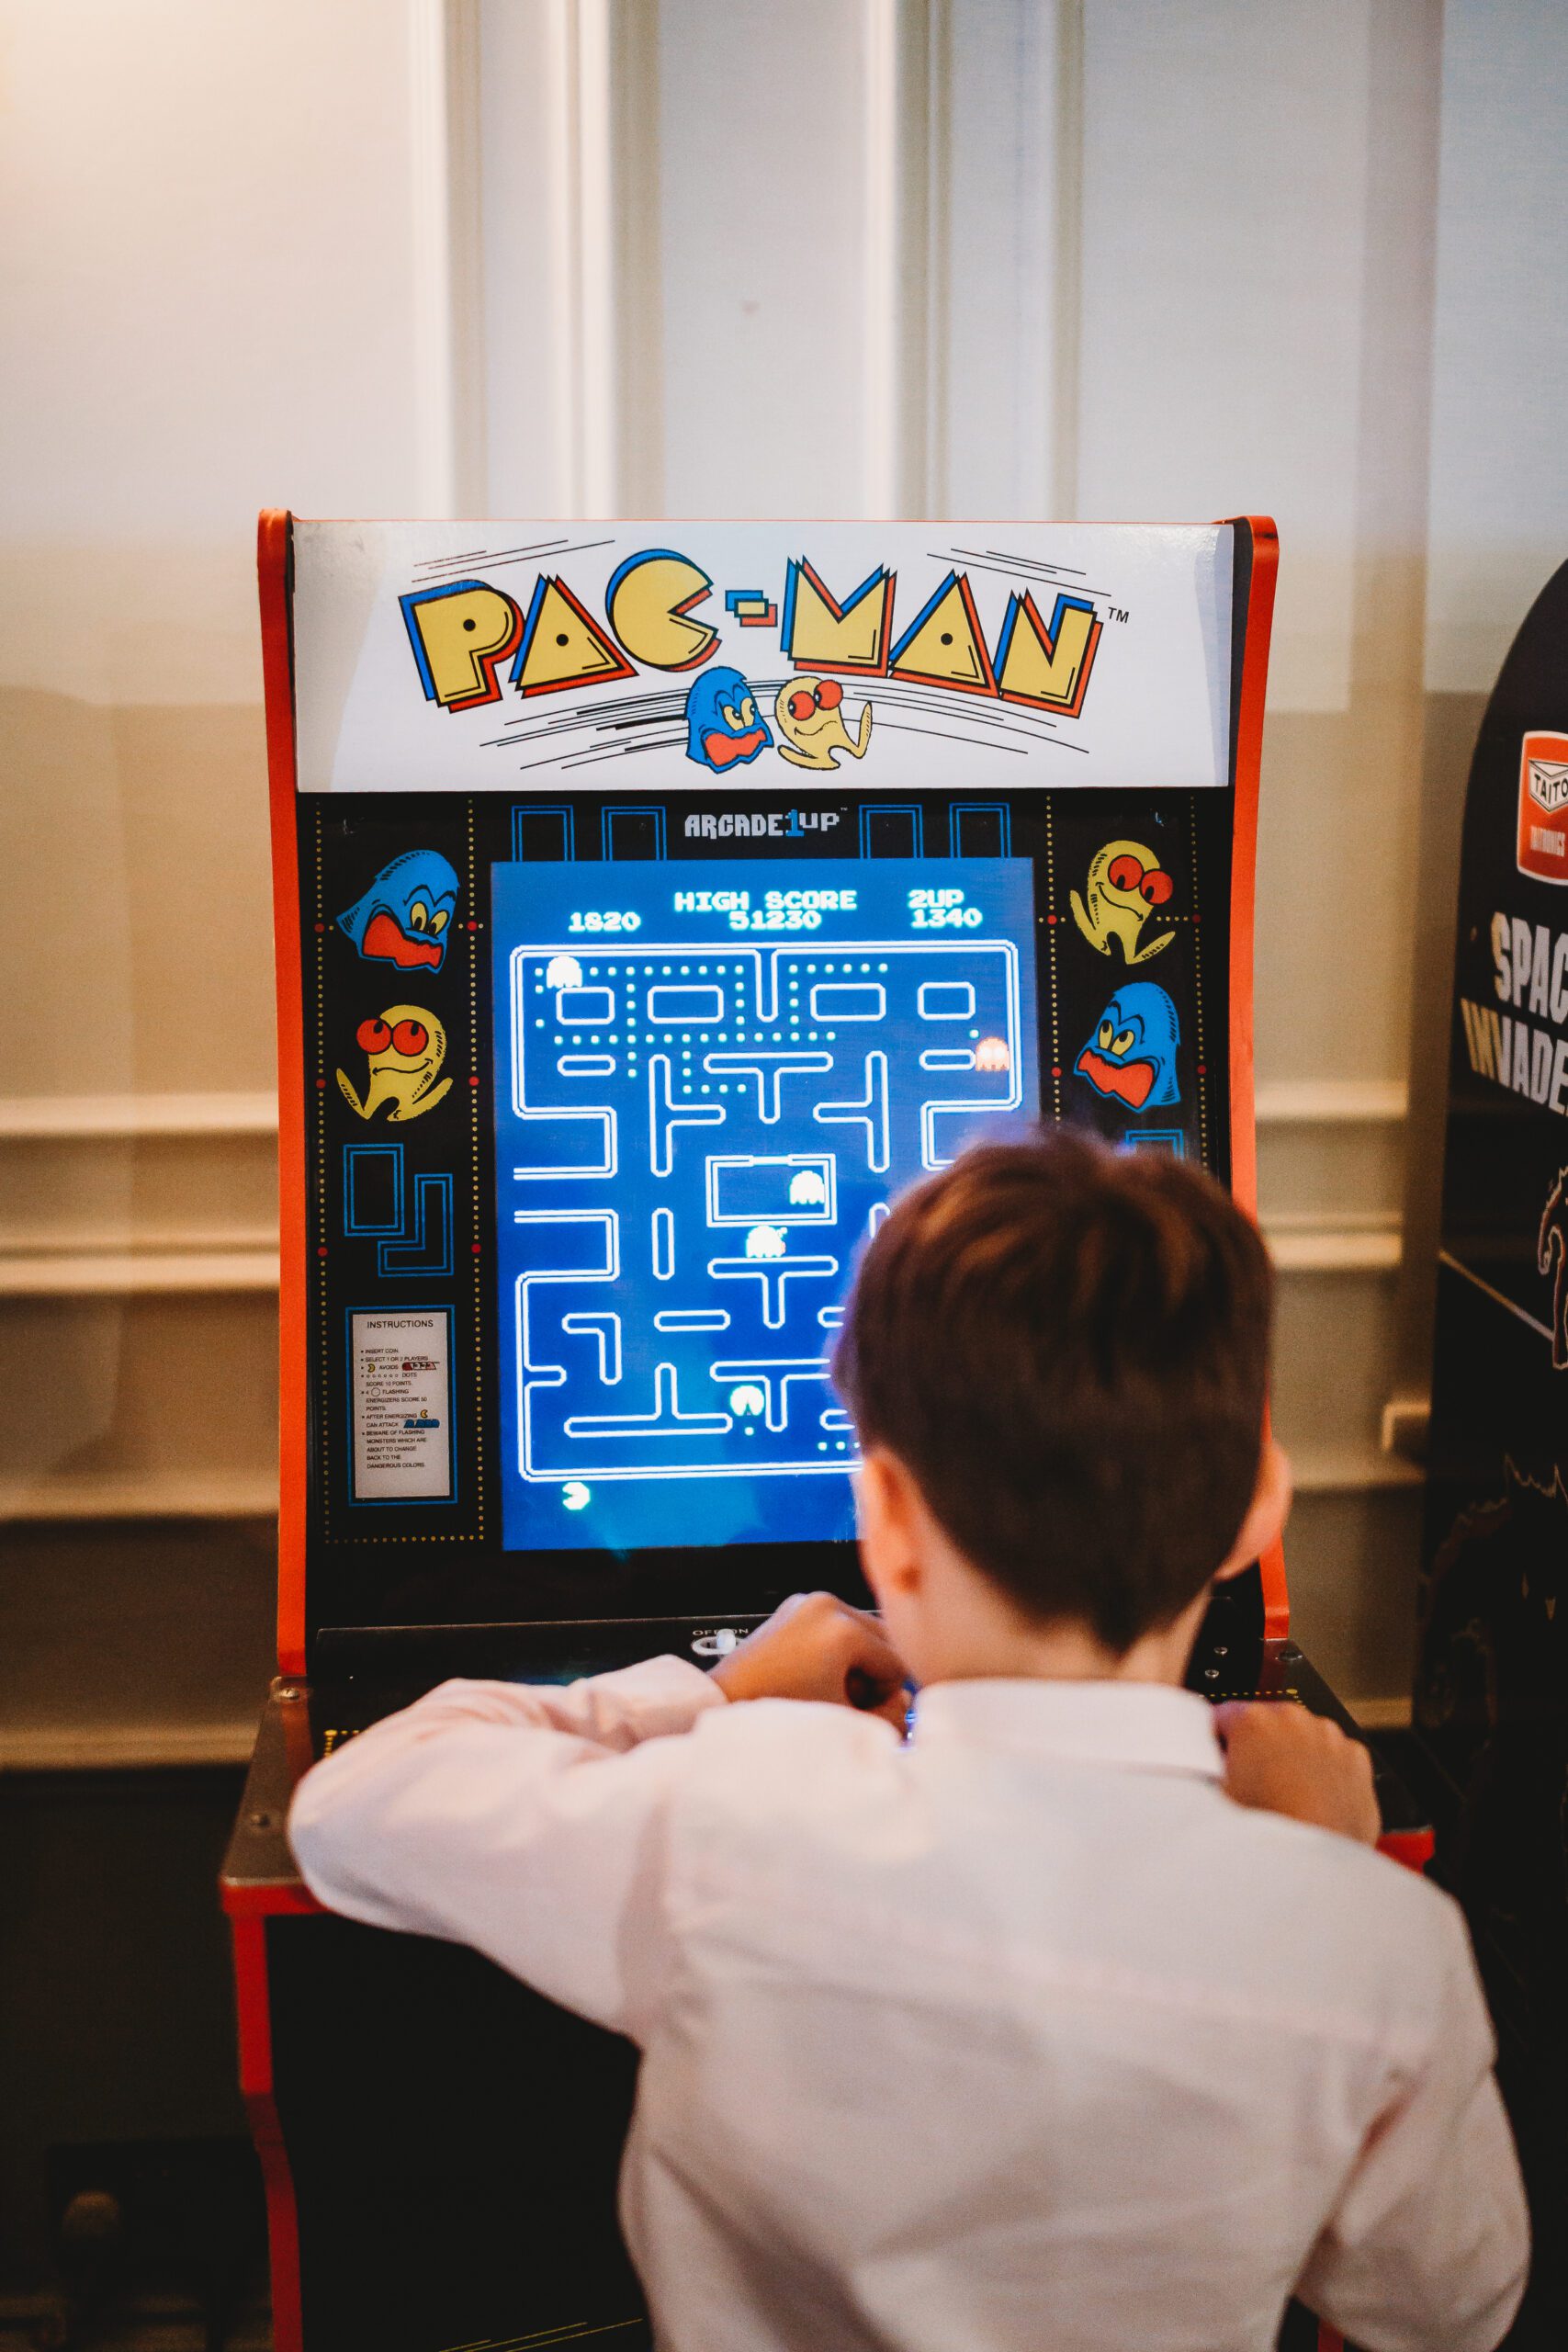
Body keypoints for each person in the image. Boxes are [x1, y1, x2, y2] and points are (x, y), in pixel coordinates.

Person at [289, 1132, 1529, 2352]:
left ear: (879, 1509)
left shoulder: (732, 1820)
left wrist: (714, 1693)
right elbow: (1450, 2310)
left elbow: (352, 1808)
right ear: (1260, 1500)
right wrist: (1324, 1871)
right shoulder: (1379, 1951)